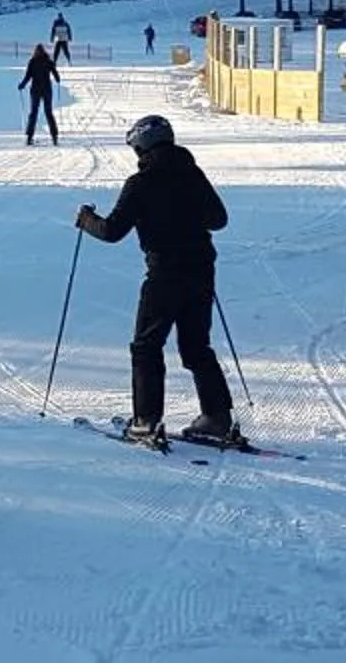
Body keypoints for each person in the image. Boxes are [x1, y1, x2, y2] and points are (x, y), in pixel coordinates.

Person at [75, 114, 235, 449]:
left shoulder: (141, 183)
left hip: (164, 273)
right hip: (201, 269)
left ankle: (146, 420)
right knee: (196, 347)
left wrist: (86, 220)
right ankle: (217, 417)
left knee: (147, 346)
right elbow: (218, 220)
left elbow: (112, 231)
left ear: (142, 147)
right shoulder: (193, 174)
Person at [18, 44, 62, 145]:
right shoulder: (48, 61)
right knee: (48, 112)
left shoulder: (32, 62)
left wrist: (22, 85)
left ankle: (29, 137)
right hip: (47, 90)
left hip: (35, 90)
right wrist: (57, 79)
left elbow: (28, 76)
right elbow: (55, 73)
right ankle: (54, 137)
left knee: (33, 113)